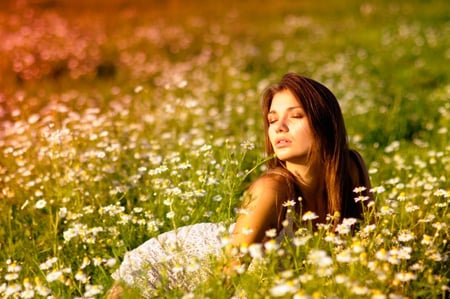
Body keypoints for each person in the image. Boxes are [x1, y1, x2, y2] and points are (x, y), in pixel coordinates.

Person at [106, 73, 373, 298]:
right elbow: (225, 280)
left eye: (296, 116)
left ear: (324, 122)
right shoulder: (274, 189)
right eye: (271, 120)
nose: (279, 127)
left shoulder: (350, 168)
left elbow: (366, 248)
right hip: (172, 267)